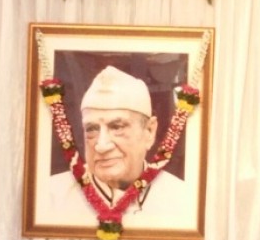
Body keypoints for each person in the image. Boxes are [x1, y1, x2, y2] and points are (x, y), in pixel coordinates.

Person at [49, 66, 190, 230]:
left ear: (149, 131)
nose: (102, 146)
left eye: (117, 127)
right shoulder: (51, 197)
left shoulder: (182, 200)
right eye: (91, 129)